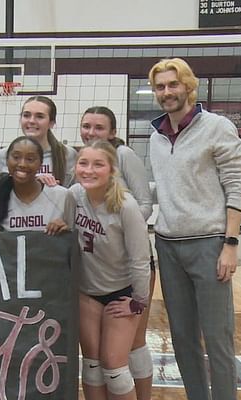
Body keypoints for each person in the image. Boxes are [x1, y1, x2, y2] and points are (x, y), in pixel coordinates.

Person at [148, 58, 241, 400]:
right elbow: (165, 188)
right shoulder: (156, 136)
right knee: (182, 337)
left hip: (208, 244)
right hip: (168, 245)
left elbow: (236, 186)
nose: (166, 92)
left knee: (218, 337)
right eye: (160, 86)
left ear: (188, 86)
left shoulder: (217, 127)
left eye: (173, 84)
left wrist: (230, 243)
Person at [79, 106, 154, 399]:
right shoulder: (74, 195)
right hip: (90, 283)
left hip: (127, 279)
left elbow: (144, 204)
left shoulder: (125, 200)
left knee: (119, 359)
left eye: (99, 127)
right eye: (86, 126)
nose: (91, 132)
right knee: (93, 363)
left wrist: (139, 301)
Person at [0, 136, 71, 236]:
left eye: (30, 159)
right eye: (16, 157)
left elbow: (72, 234)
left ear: (40, 164)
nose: (22, 164)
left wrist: (65, 229)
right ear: (7, 160)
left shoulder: (61, 196)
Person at [0, 96, 77, 189]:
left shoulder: (67, 154)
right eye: (26, 115)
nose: (31, 121)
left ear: (51, 123)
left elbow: (71, 194)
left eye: (39, 116)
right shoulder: (4, 155)